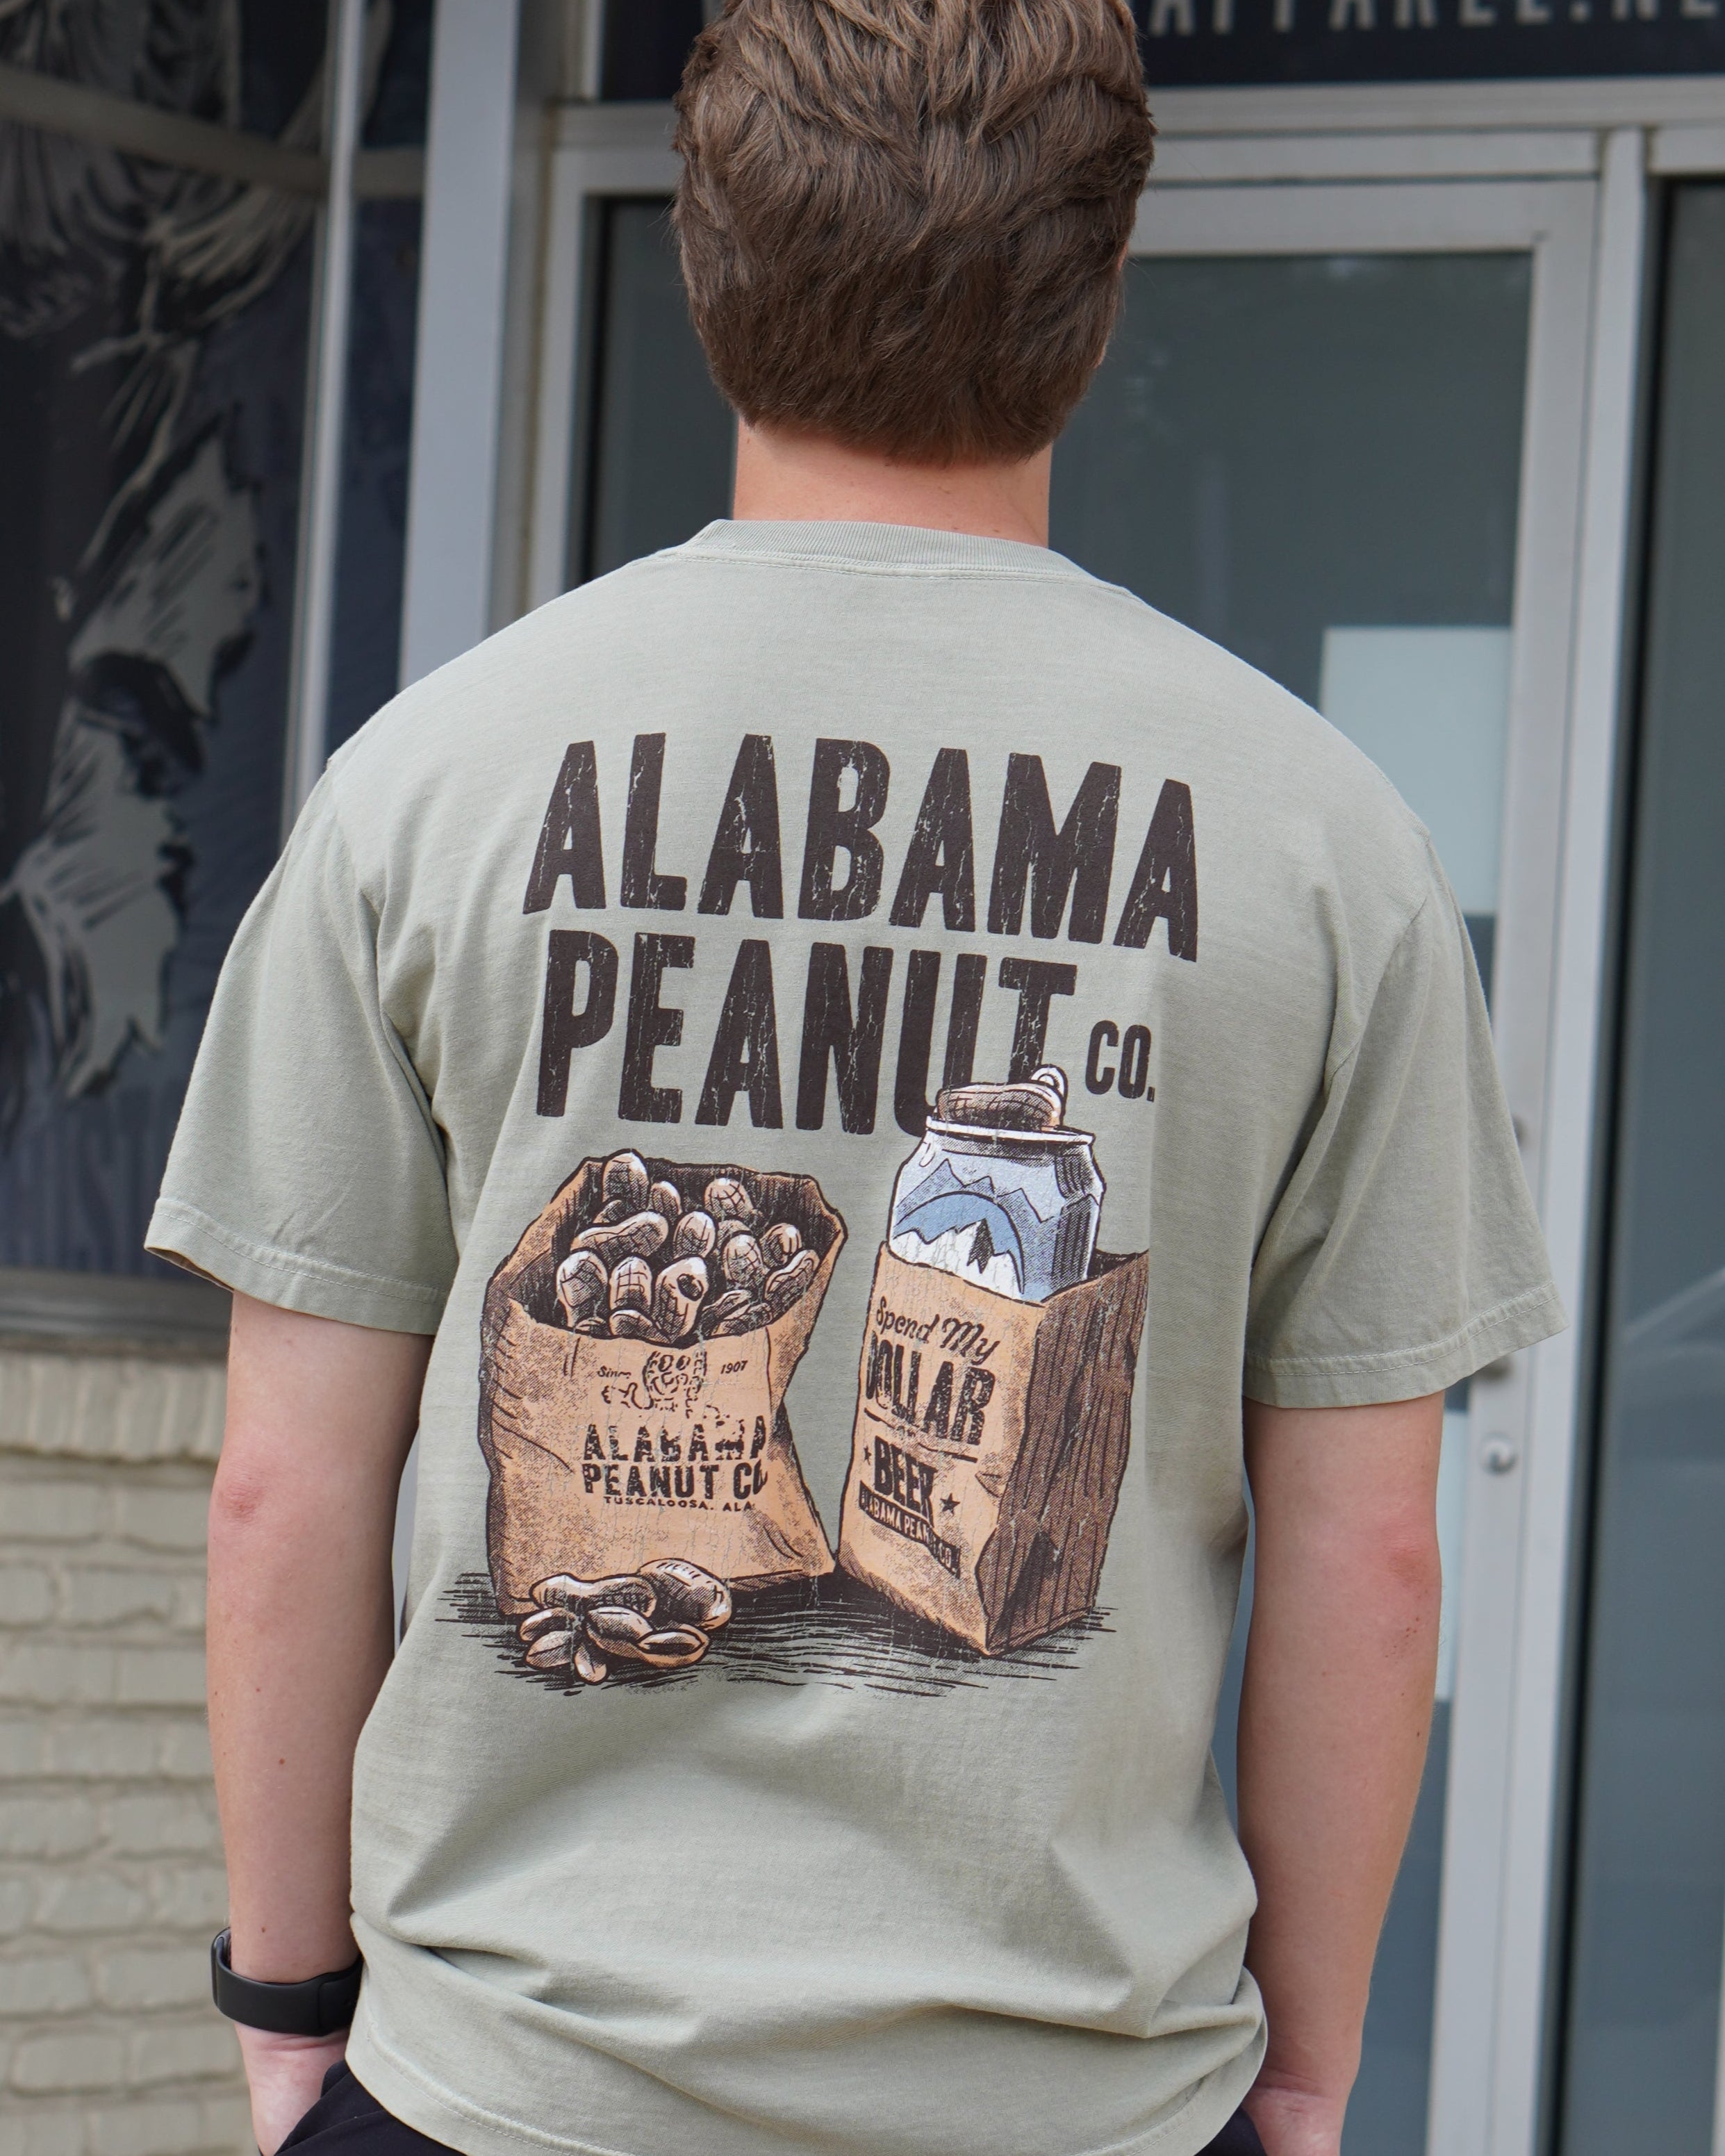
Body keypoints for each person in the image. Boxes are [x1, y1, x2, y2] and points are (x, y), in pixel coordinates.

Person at [149, 4, 1565, 2153]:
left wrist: (287, 2004)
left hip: (510, 2087)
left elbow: (281, 1487)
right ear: (1095, 299)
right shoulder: (1319, 837)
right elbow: (1370, 1559)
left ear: (705, 270)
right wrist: (1300, 2063)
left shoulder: (430, 781)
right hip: (1085, 2098)